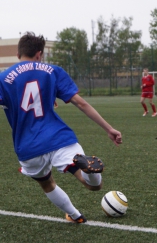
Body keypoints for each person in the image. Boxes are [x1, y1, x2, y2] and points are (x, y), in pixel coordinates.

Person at [0, 32, 122, 224]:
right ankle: (89, 170)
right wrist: (108, 128)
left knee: (47, 183)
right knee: (92, 186)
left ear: (18, 55)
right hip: (58, 137)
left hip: (28, 147)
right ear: (39, 54)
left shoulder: (4, 77)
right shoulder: (52, 71)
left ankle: (75, 216)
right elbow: (81, 104)